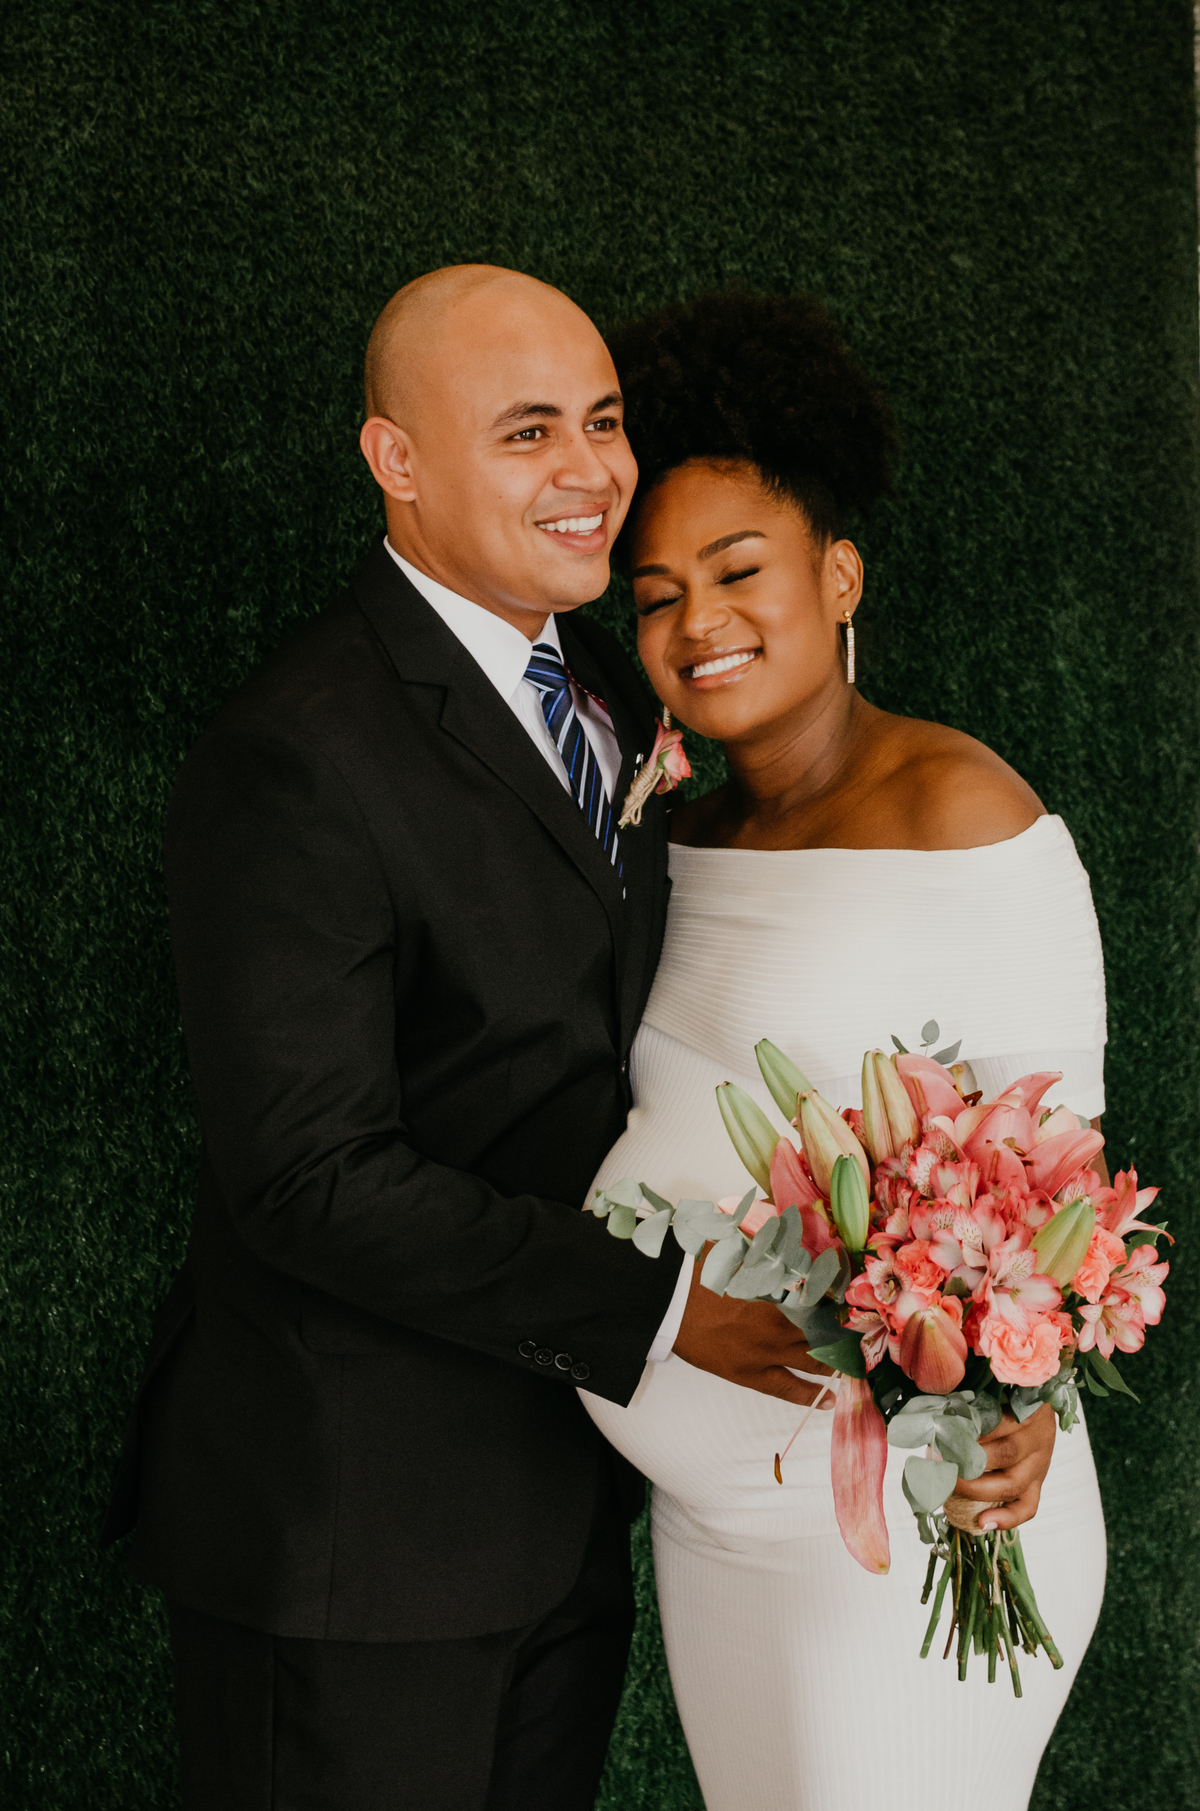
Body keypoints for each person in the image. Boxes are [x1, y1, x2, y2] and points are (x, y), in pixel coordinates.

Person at [100, 266, 833, 1811]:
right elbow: (308, 1177)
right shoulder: (295, 753)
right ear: (398, 460)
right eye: (527, 432)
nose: (589, 472)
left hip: (558, 1510)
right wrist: (663, 1310)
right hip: (353, 1539)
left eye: (604, 422)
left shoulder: (611, 694)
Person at [579, 288, 1108, 1811]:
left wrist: (1030, 1414)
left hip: (914, 1524)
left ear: (839, 573)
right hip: (718, 1532)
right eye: (658, 596)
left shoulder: (965, 813)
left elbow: (1058, 1181)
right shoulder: (674, 840)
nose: (699, 624)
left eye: (739, 571)